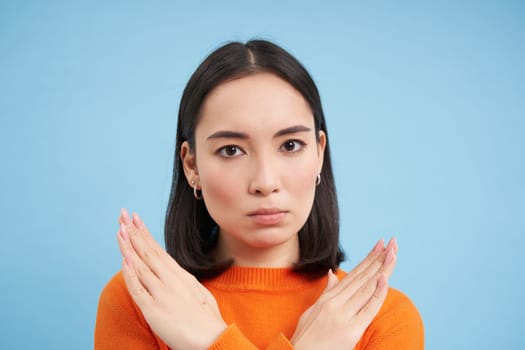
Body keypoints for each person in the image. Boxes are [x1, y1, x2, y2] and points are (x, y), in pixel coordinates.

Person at [95, 40, 424, 349]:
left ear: (319, 153)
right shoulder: (139, 301)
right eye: (231, 150)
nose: (265, 182)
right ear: (192, 165)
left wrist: (212, 341)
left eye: (290, 145)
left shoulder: (383, 318)